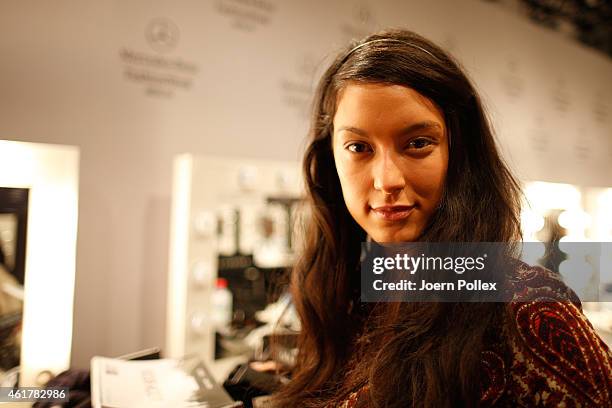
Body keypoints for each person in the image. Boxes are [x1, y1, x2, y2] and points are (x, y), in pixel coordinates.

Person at [269, 29, 612, 407]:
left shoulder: (529, 310)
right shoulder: (343, 293)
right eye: (358, 147)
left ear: (461, 154)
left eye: (417, 144)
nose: (387, 180)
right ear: (331, 157)